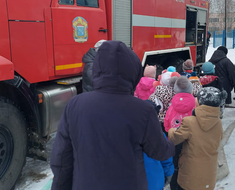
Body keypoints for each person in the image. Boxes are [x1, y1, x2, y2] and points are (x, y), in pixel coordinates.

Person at [50, 41, 175, 190]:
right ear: (133, 71)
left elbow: (61, 159)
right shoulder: (143, 111)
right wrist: (172, 141)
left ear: (97, 69)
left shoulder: (74, 105)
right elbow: (160, 152)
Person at [168, 87, 227, 190]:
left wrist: (171, 130)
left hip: (189, 175)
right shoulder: (218, 123)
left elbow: (174, 139)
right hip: (208, 174)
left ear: (201, 103)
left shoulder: (189, 122)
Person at [164, 76, 196, 190]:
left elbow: (167, 124)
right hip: (190, 141)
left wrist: (171, 133)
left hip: (175, 140)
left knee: (175, 164)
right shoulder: (195, 105)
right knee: (189, 164)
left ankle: (175, 185)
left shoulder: (172, 107)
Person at [144, 101, 174, 190]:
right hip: (154, 180)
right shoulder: (158, 135)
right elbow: (166, 158)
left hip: (133, 180)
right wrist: (168, 174)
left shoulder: (126, 133)